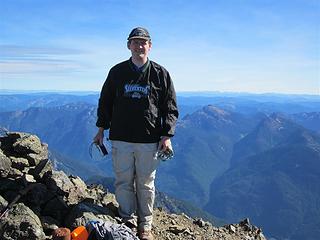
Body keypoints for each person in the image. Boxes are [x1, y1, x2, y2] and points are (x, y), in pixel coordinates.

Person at [94, 27, 179, 240]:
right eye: (135, 42)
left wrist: (166, 135)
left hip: (149, 139)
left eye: (143, 42)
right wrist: (101, 129)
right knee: (123, 181)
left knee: (146, 183)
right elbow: (105, 102)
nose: (139, 46)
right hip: (120, 137)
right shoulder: (117, 72)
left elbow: (170, 106)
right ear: (128, 45)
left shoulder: (161, 74)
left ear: (150, 46)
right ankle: (127, 219)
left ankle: (145, 226)